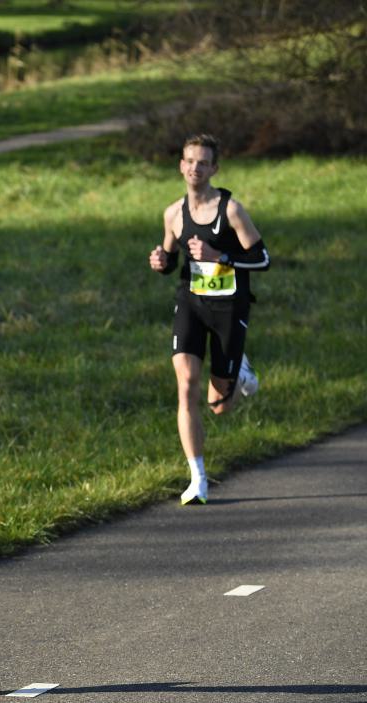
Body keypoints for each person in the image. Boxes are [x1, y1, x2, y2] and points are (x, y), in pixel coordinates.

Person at [149, 133, 270, 505]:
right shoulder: (173, 214)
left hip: (229, 308)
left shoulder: (231, 210)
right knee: (186, 384)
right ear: (181, 166)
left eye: (203, 163)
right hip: (191, 304)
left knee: (220, 405)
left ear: (214, 168)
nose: (195, 168)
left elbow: (262, 259)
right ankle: (197, 478)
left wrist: (222, 257)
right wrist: (161, 262)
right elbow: (171, 260)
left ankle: (240, 370)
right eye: (190, 161)